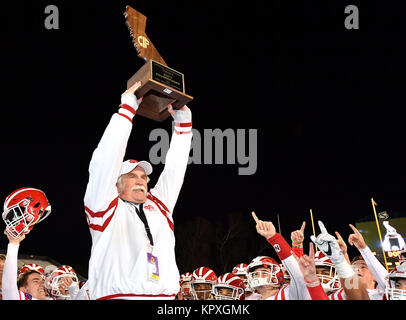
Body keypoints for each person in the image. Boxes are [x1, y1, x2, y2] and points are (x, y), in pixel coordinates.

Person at [84, 81, 193, 300]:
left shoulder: (159, 206)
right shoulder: (104, 207)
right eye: (132, 176)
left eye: (143, 177)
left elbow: (175, 170)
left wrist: (183, 122)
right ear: (117, 184)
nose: (140, 181)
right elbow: (104, 163)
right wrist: (126, 111)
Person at [249, 212, 310, 300]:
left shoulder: (289, 294)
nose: (259, 276)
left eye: (264, 272)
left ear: (277, 275)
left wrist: (273, 237)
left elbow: (299, 275)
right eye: (255, 274)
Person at [2, 230, 47, 300]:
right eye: (36, 281)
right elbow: (9, 285)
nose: (43, 284)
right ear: (23, 290)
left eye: (43, 281)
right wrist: (14, 244)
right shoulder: (16, 297)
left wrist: (70, 287)